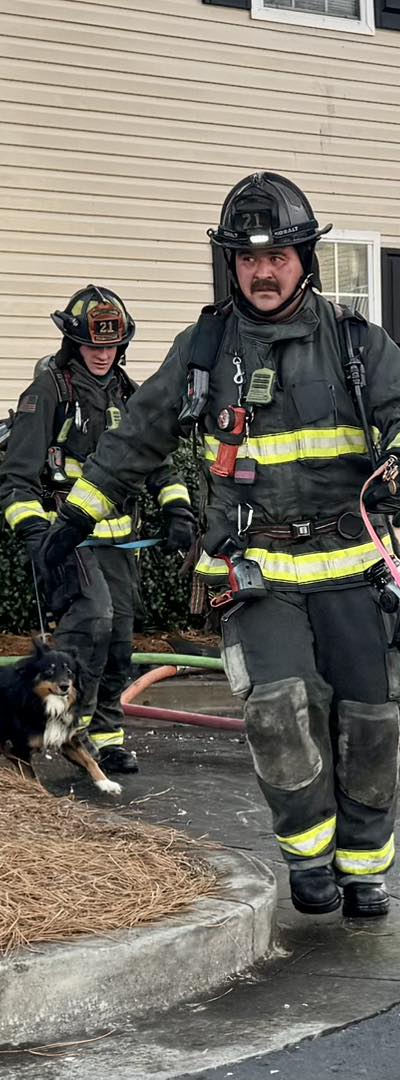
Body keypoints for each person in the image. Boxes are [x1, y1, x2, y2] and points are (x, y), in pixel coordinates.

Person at [36, 173, 400, 919]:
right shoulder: (206, 348)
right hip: (255, 575)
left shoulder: (357, 343)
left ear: (304, 259)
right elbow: (137, 437)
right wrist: (72, 521)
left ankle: (365, 868)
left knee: (368, 725)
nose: (263, 271)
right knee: (279, 714)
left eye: (278, 256)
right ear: (230, 263)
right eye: (247, 258)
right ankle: (308, 860)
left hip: (354, 567)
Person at [0, 286, 196, 774]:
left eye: (110, 347)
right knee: (93, 626)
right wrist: (36, 536)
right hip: (69, 542)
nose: (103, 355)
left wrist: (177, 511)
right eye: (93, 347)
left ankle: (107, 737)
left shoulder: (129, 394)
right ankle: (67, 730)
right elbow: (16, 479)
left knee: (121, 640)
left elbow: (158, 463)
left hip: (119, 546)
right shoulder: (49, 392)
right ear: (74, 344)